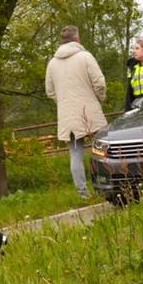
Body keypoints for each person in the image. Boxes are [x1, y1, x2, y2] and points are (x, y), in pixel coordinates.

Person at [45, 25, 107, 198]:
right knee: (104, 147)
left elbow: (50, 92)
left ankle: (83, 194)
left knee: (75, 153)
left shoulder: (52, 64)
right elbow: (99, 82)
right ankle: (107, 186)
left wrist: (64, 103)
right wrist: (99, 99)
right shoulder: (85, 57)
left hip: (67, 115)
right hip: (90, 111)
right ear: (77, 39)